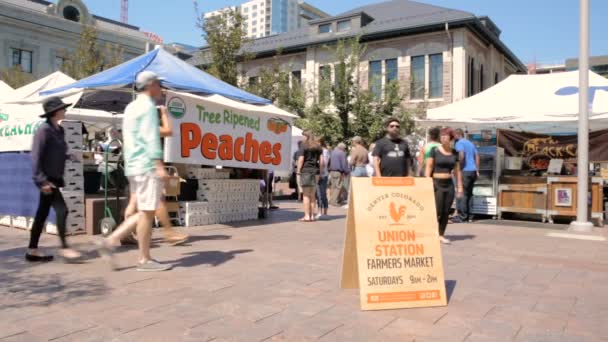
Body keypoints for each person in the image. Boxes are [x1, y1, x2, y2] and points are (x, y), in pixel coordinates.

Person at [98, 71, 171, 272]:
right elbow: (151, 138)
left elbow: (130, 139)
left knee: (144, 212)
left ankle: (113, 241)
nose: (161, 88)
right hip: (146, 166)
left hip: (133, 166)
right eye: (158, 84)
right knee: (147, 213)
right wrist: (159, 165)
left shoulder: (130, 107)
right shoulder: (147, 107)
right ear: (151, 85)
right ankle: (143, 259)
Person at [122, 105, 189, 246]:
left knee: (134, 203)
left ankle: (125, 235)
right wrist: (164, 114)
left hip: (135, 169)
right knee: (157, 201)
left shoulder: (135, 127)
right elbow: (168, 130)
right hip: (147, 169)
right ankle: (168, 233)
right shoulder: (148, 128)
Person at [27, 97, 82, 262]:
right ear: (54, 112)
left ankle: (32, 250)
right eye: (62, 108)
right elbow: (35, 156)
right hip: (47, 180)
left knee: (41, 214)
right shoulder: (43, 130)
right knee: (62, 210)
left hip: (56, 178)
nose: (65, 110)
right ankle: (64, 248)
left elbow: (60, 151)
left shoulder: (60, 130)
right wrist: (42, 181)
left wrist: (70, 155)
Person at [425, 128, 463, 244]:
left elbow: (457, 171)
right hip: (436, 183)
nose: (443, 138)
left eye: (446, 136)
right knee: (437, 210)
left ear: (451, 138)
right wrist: (427, 182)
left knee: (446, 211)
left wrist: (460, 186)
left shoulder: (454, 152)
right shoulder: (434, 150)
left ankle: (441, 235)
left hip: (449, 184)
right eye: (441, 136)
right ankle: (431, 234)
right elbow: (429, 167)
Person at [454, 128, 480, 223]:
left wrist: (458, 167)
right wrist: (477, 169)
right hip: (473, 171)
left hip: (464, 171)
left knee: (463, 194)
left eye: (454, 135)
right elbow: (477, 156)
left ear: (457, 135)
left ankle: (462, 217)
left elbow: (461, 155)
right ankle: (470, 216)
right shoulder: (470, 143)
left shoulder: (459, 143)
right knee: (469, 194)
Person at [297, 131, 323, 222]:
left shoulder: (303, 146)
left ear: (306, 136)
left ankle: (307, 216)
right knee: (313, 195)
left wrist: (298, 171)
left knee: (306, 195)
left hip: (306, 171)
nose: (302, 138)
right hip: (315, 171)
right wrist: (320, 172)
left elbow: (301, 159)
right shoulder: (318, 147)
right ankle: (312, 215)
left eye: (303, 136)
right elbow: (322, 161)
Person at [316, 137, 330, 219]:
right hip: (323, 173)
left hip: (322, 174)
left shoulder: (323, 151)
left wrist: (320, 173)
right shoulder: (325, 150)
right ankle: (324, 212)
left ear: (320, 143)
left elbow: (323, 163)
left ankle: (320, 212)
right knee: (322, 193)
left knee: (320, 194)